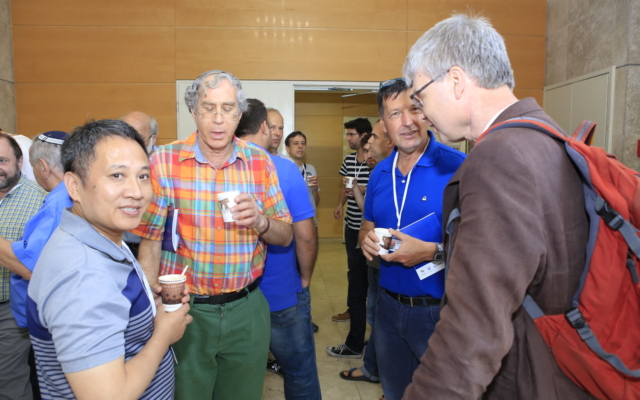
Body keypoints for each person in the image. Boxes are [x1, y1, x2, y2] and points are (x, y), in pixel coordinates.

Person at [401, 14, 595, 400]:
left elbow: (472, 330)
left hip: (529, 378)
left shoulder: (498, 158)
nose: (421, 113)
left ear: (455, 81)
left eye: (420, 97)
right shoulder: (547, 136)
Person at [133, 70, 293, 400]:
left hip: (247, 308)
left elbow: (286, 235)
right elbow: (149, 238)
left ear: (240, 113)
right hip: (186, 309)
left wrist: (261, 221)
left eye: (228, 109)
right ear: (193, 111)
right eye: (208, 108)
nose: (218, 119)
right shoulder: (163, 162)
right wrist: (153, 306)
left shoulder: (260, 162)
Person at [26, 120, 192, 399]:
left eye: (143, 176)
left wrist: (147, 304)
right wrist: (163, 335)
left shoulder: (102, 237)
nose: (136, 192)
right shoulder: (82, 276)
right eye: (117, 175)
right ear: (74, 186)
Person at [359, 78, 466, 400]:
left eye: (415, 109)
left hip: (438, 313)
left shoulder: (458, 168)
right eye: (395, 114)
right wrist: (367, 241)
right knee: (395, 393)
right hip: (387, 309)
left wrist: (432, 252)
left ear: (427, 112)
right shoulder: (379, 173)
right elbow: (367, 228)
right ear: (383, 124)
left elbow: (485, 250)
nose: (407, 122)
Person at [236, 98, 321, 400]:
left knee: (239, 376)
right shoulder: (284, 169)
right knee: (299, 372)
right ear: (263, 127)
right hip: (282, 292)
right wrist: (305, 279)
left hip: (234, 299)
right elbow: (305, 236)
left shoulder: (218, 169)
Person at [0, 132, 47, 400]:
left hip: (11, 309)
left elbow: (34, 267)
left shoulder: (39, 202)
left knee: (7, 380)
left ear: (20, 162)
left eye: (2, 160)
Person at [327, 117, 372, 358]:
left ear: (364, 135)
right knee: (354, 273)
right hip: (352, 226)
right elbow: (344, 187)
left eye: (352, 134)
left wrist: (361, 189)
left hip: (370, 229)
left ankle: (358, 335)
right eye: (348, 134)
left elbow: (376, 193)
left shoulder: (376, 163)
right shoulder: (348, 161)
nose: (348, 138)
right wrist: (339, 204)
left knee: (364, 280)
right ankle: (353, 310)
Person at [121, 112, 159, 256]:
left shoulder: (165, 164)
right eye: (126, 137)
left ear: (152, 139)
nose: (131, 144)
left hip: (155, 249)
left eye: (139, 139)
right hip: (122, 246)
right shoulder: (112, 161)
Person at [285, 131, 320, 223]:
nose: (300, 146)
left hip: (311, 221)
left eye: (303, 143)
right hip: (290, 222)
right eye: (296, 143)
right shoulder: (283, 170)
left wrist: (315, 189)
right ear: (288, 148)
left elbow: (316, 202)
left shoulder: (311, 169)